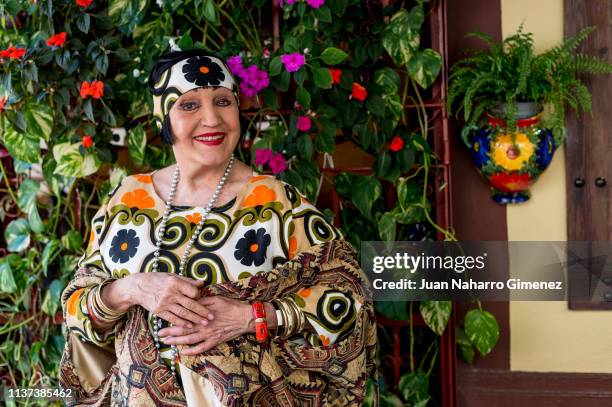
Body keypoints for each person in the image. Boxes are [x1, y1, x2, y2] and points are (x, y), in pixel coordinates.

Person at [59, 49, 377, 406]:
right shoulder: (127, 199)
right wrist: (132, 289)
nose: (212, 119)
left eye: (223, 101)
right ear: (163, 116)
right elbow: (75, 310)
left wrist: (252, 316)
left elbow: (349, 297)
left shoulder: (275, 201)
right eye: (190, 105)